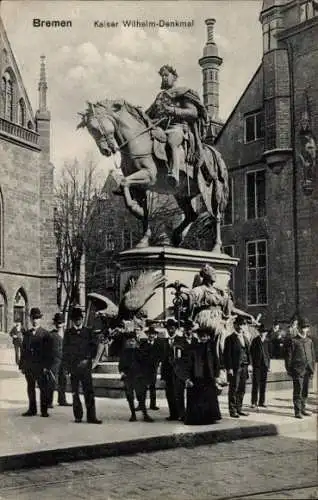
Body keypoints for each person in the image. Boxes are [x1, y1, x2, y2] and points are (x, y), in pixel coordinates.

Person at [146, 64, 208, 188]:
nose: (164, 78)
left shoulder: (182, 93)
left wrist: (174, 110)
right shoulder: (160, 97)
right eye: (162, 76)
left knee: (172, 141)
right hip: (160, 129)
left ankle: (174, 174)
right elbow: (148, 114)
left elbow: (193, 113)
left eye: (166, 75)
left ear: (174, 77)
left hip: (177, 127)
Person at [62, 306, 102, 424]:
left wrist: (88, 360)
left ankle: (91, 417)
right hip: (74, 367)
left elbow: (93, 348)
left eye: (79, 319)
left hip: (85, 367)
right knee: (75, 393)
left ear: (82, 319)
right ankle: (78, 416)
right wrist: (67, 367)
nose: (78, 321)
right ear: (73, 320)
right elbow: (65, 351)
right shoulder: (68, 333)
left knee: (89, 392)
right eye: (76, 319)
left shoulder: (88, 332)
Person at [176, 327, 221, 425]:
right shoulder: (193, 347)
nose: (203, 338)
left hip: (208, 376)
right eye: (201, 337)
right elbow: (187, 363)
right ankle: (197, 419)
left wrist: (216, 375)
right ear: (198, 337)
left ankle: (209, 418)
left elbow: (216, 362)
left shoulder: (211, 346)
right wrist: (187, 378)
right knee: (197, 399)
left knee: (209, 398)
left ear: (208, 337)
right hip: (196, 376)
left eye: (205, 336)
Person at [19, 308, 52, 417]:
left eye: (37, 318)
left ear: (40, 319)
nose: (35, 320)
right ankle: (32, 409)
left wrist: (47, 366)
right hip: (29, 366)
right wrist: (22, 365)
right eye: (33, 318)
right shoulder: (27, 334)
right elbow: (23, 350)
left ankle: (44, 410)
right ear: (30, 319)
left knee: (43, 388)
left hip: (41, 366)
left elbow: (48, 352)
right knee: (30, 387)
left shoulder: (45, 334)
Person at [284, 317, 316, 419]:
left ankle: (303, 408)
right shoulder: (293, 341)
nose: (304, 329)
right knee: (298, 390)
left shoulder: (309, 341)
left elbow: (313, 356)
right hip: (297, 370)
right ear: (298, 328)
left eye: (306, 327)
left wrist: (312, 369)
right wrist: (289, 370)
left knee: (305, 390)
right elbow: (288, 357)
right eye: (302, 327)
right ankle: (297, 411)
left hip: (308, 370)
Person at [119, 332, 154, 423]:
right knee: (130, 396)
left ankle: (145, 414)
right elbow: (121, 365)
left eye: (133, 341)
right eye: (129, 341)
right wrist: (122, 372)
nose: (131, 343)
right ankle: (133, 414)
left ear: (136, 342)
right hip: (128, 377)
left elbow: (145, 364)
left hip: (139, 377)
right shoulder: (124, 353)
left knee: (141, 396)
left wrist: (145, 376)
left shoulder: (139, 351)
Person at [223, 316, 252, 418]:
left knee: (242, 388)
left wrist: (250, 365)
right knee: (233, 388)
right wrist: (229, 368)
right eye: (239, 324)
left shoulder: (245, 338)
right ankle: (232, 410)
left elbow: (249, 353)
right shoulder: (229, 339)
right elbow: (227, 355)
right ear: (235, 325)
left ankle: (239, 408)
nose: (241, 327)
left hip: (244, 367)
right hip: (235, 368)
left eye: (243, 325)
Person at [173, 319, 198, 421]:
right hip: (180, 369)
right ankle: (181, 414)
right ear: (184, 330)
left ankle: (191, 412)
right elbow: (177, 358)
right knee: (179, 393)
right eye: (187, 329)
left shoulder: (196, 341)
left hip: (193, 370)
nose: (189, 331)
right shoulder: (178, 341)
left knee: (193, 392)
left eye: (190, 329)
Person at [47, 313, 71, 408]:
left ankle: (62, 399)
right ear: (54, 323)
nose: (59, 325)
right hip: (54, 361)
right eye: (57, 323)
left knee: (63, 380)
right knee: (52, 381)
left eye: (61, 323)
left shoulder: (68, 335)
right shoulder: (51, 335)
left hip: (64, 361)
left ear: (64, 323)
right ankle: (49, 401)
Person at [138, 323, 162, 411]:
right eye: (150, 334)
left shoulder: (158, 344)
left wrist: (157, 363)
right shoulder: (143, 344)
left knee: (152, 386)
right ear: (147, 334)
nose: (151, 335)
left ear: (155, 335)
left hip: (153, 368)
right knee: (142, 387)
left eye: (153, 334)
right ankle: (141, 404)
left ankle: (153, 404)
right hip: (144, 368)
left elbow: (160, 356)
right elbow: (139, 355)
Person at [161, 318, 179, 421]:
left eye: (172, 328)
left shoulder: (180, 340)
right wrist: (163, 375)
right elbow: (163, 359)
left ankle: (180, 413)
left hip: (177, 372)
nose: (170, 330)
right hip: (168, 372)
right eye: (168, 328)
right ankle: (172, 414)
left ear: (175, 328)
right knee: (169, 394)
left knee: (178, 394)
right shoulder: (164, 341)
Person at [250, 323, 271, 408]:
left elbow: (269, 354)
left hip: (265, 365)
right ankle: (253, 402)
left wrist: (269, 365)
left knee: (263, 384)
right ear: (259, 332)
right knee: (256, 384)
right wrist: (251, 364)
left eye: (265, 332)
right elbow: (251, 353)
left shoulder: (267, 341)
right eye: (262, 332)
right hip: (257, 365)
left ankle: (261, 402)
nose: (263, 333)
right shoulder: (255, 340)